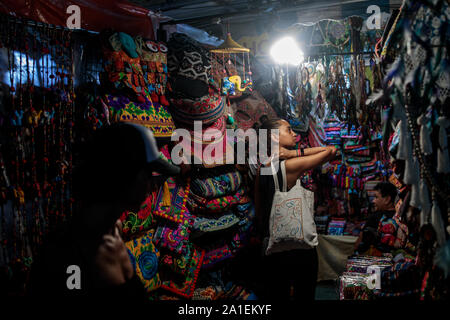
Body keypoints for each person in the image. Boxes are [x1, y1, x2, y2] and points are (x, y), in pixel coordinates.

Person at [28, 122, 180, 300]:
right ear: (122, 175)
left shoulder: (113, 230)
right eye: (146, 174)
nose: (152, 184)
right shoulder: (68, 253)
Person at [251, 118, 337, 301]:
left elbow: (259, 212)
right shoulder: (289, 166)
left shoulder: (262, 169)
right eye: (288, 130)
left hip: (271, 246)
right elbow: (331, 150)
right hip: (298, 248)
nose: (294, 134)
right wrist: (294, 154)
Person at [354, 182, 399, 255]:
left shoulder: (375, 217)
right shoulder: (400, 216)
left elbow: (359, 242)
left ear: (387, 199)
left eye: (376, 197)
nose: (373, 201)